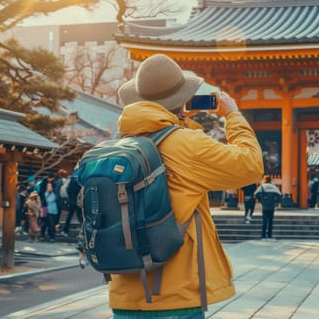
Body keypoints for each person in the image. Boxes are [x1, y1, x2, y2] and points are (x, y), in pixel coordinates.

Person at [106, 53, 263, 318]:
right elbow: (251, 166)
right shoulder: (187, 143)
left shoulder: (118, 143)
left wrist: (176, 117)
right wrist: (233, 116)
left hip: (125, 295)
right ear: (179, 99)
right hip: (175, 297)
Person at [254, 175, 281, 240]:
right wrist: (276, 202)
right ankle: (269, 235)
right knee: (271, 221)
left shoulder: (262, 186)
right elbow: (279, 194)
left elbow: (256, 194)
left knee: (264, 221)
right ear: (270, 180)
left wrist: (261, 200)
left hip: (265, 206)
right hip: (272, 206)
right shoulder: (274, 186)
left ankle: (263, 235)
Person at [61, 172, 83, 238]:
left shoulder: (71, 181)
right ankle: (83, 232)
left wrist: (69, 197)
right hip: (79, 202)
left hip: (71, 201)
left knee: (69, 217)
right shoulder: (81, 182)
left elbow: (68, 189)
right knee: (81, 218)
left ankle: (65, 231)